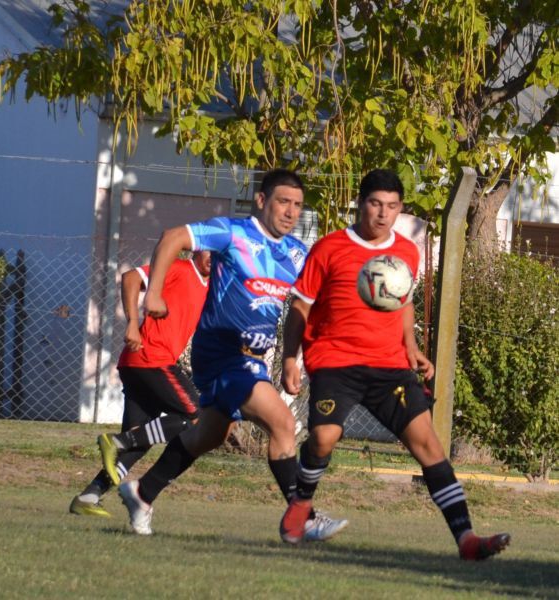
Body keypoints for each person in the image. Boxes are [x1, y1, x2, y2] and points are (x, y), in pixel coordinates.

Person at [278, 168, 510, 560]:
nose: (383, 214)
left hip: (389, 367)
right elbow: (300, 307)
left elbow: (401, 301)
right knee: (323, 438)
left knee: (429, 446)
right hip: (335, 361)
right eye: (375, 204)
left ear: (399, 208)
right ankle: (301, 503)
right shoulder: (329, 248)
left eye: (391, 206)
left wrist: (412, 346)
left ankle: (466, 540)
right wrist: (289, 358)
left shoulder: (406, 251)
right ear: (360, 203)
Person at [117, 169, 347, 541]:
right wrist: (154, 292)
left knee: (207, 434)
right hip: (223, 353)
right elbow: (174, 237)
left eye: (298, 206)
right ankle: (301, 519)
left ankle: (143, 492)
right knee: (284, 425)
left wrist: (293, 358)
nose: (291, 212)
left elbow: (308, 305)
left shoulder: (295, 253)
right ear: (261, 201)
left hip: (252, 360)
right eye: (283, 202)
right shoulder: (234, 232)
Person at [69, 250, 212, 518]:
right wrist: (133, 323)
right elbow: (131, 277)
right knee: (196, 417)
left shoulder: (210, 285)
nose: (214, 257)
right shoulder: (179, 269)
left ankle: (88, 497)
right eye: (209, 249)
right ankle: (119, 440)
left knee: (139, 443)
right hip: (151, 358)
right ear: (194, 250)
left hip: (138, 363)